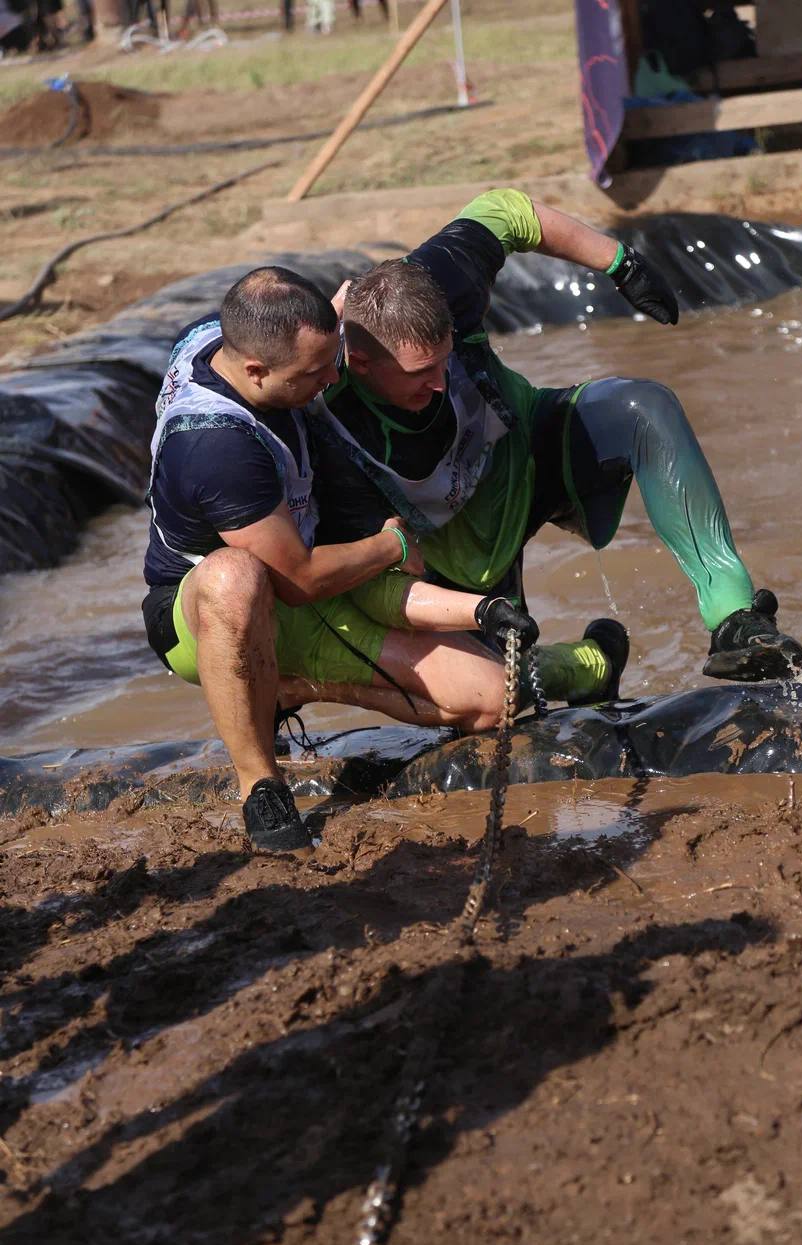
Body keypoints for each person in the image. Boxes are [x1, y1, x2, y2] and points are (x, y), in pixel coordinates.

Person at [141, 266, 578, 858]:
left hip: (309, 586)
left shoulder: (221, 335)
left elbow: (306, 318)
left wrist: (346, 313)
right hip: (208, 613)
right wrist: (392, 546)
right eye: (315, 374)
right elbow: (296, 581)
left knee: (489, 697)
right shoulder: (216, 446)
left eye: (333, 358)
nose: (331, 381)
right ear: (254, 370)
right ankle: (260, 786)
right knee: (234, 575)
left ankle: (287, 682)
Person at [306, 187, 802, 685]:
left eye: (445, 358)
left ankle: (736, 619)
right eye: (420, 372)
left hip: (528, 454)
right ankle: (589, 667)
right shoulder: (316, 405)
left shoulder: (442, 276)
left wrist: (621, 264)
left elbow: (505, 209)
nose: (439, 382)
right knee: (487, 691)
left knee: (645, 406)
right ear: (360, 361)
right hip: (444, 549)